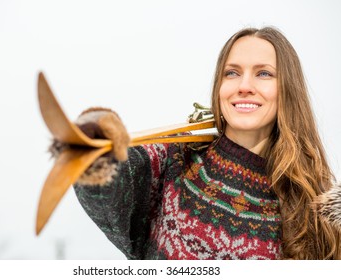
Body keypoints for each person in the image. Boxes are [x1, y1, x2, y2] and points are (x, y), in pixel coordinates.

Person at [50, 27, 341, 259]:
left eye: (263, 73)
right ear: (219, 87)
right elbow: (106, 186)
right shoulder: (177, 160)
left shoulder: (315, 201)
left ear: (288, 90)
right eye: (232, 73)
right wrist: (92, 135)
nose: (244, 85)